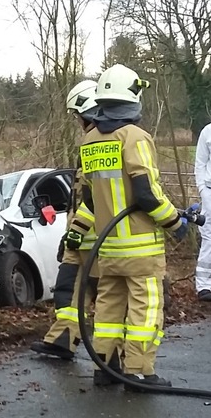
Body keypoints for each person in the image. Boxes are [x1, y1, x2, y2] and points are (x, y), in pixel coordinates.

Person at [66, 63, 187, 391]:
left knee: (107, 307)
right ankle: (139, 372)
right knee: (145, 311)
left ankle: (105, 369)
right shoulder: (135, 137)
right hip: (141, 248)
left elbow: (91, 196)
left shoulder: (90, 139)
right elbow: (146, 194)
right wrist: (175, 221)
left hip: (108, 247)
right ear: (132, 97)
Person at [30, 80, 100, 360]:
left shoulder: (103, 142)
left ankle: (115, 354)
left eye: (78, 115)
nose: (78, 122)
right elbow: (80, 197)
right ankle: (62, 339)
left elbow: (95, 197)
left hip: (98, 238)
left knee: (105, 295)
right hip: (78, 235)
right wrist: (69, 233)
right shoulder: (89, 143)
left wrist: (78, 229)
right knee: (67, 288)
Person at [193, 121, 211, 302]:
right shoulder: (208, 132)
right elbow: (200, 164)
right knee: (209, 238)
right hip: (210, 192)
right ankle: (204, 285)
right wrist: (203, 191)